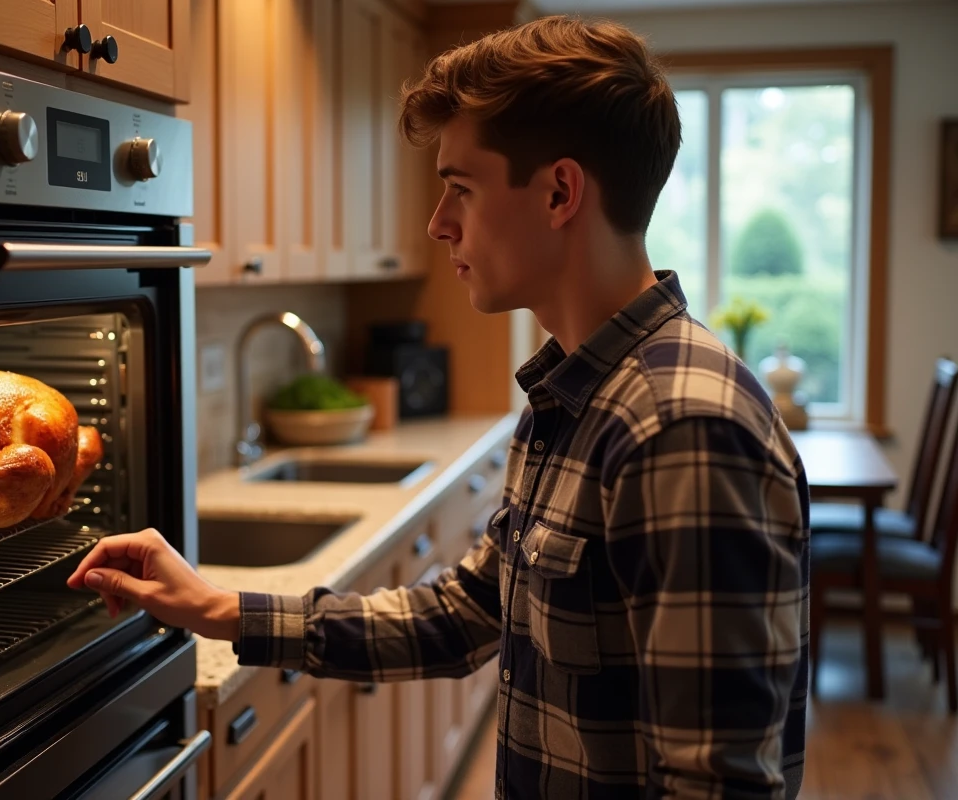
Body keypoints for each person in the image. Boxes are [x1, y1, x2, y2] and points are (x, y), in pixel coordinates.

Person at [68, 15, 809, 799]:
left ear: (560, 192)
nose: (438, 222)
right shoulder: (571, 394)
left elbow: (718, 787)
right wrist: (220, 608)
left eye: (461, 187)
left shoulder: (682, 430)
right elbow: (466, 613)